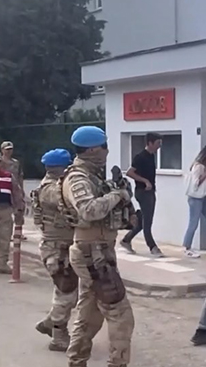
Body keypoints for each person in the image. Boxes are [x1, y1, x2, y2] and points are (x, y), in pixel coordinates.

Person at [61, 126, 135, 367]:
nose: (107, 151)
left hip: (99, 250)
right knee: (121, 314)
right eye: (104, 146)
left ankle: (76, 360)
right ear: (92, 149)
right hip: (92, 253)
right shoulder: (77, 178)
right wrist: (118, 195)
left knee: (90, 313)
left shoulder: (94, 177)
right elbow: (89, 210)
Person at [31, 148, 78, 352]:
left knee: (70, 292)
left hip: (64, 247)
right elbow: (72, 202)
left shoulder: (57, 185)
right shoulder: (51, 189)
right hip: (56, 249)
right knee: (66, 292)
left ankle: (51, 323)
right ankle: (58, 336)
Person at [120, 132, 164, 257]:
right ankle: (152, 247)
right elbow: (129, 172)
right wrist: (145, 181)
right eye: (158, 143)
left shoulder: (151, 156)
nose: (159, 146)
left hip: (150, 192)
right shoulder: (140, 157)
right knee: (147, 221)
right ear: (150, 143)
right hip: (143, 192)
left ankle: (126, 240)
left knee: (143, 221)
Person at [183, 145, 206, 258]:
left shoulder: (204, 167)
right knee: (193, 222)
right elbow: (196, 183)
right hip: (196, 198)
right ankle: (187, 247)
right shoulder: (198, 167)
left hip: (203, 197)